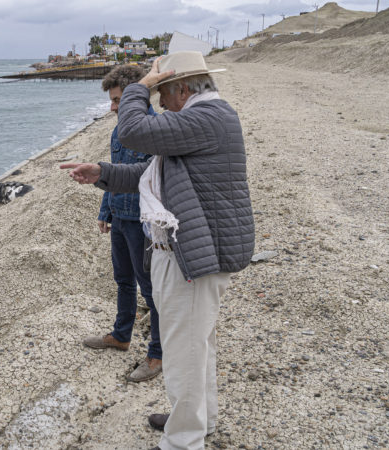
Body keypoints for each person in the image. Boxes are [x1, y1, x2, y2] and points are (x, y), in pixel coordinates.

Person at [60, 51, 254, 450]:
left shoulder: (208, 117)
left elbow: (131, 131)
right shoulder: (206, 119)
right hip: (194, 248)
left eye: (162, 93)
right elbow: (156, 173)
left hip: (194, 255)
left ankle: (183, 440)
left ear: (183, 88)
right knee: (197, 344)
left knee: (184, 350)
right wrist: (104, 173)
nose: (160, 104)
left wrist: (139, 87)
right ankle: (199, 419)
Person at [82, 65, 162, 383]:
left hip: (143, 222)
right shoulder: (118, 130)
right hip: (120, 217)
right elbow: (115, 171)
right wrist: (106, 210)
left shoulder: (155, 128)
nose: (113, 108)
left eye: (117, 101)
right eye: (112, 101)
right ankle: (121, 335)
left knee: (153, 291)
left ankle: (157, 355)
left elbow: (153, 176)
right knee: (123, 281)